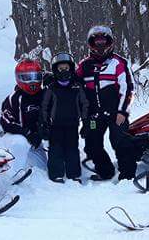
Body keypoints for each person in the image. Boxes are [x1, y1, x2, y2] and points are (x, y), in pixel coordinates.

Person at [76, 24, 137, 181]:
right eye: (97, 42)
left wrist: (123, 112)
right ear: (91, 43)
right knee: (91, 143)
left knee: (120, 141)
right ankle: (105, 171)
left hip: (115, 113)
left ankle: (128, 175)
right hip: (94, 115)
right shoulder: (84, 65)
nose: (100, 45)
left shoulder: (119, 63)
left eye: (103, 41)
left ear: (109, 42)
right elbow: (73, 83)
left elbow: (129, 89)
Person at [41, 52, 89, 183]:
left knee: (72, 149)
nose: (63, 71)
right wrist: (44, 124)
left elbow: (85, 104)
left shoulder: (77, 86)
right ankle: (56, 174)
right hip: (55, 125)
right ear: (55, 69)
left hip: (72, 125)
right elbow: (44, 106)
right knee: (55, 149)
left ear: (71, 69)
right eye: (60, 68)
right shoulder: (51, 87)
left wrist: (86, 123)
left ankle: (74, 174)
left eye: (66, 68)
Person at [0, 58, 44, 147]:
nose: (33, 81)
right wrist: (27, 133)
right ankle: (15, 160)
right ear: (19, 78)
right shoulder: (13, 99)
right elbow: (6, 123)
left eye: (36, 77)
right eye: (28, 78)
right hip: (17, 138)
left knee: (43, 161)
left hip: (35, 140)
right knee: (19, 144)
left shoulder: (45, 96)